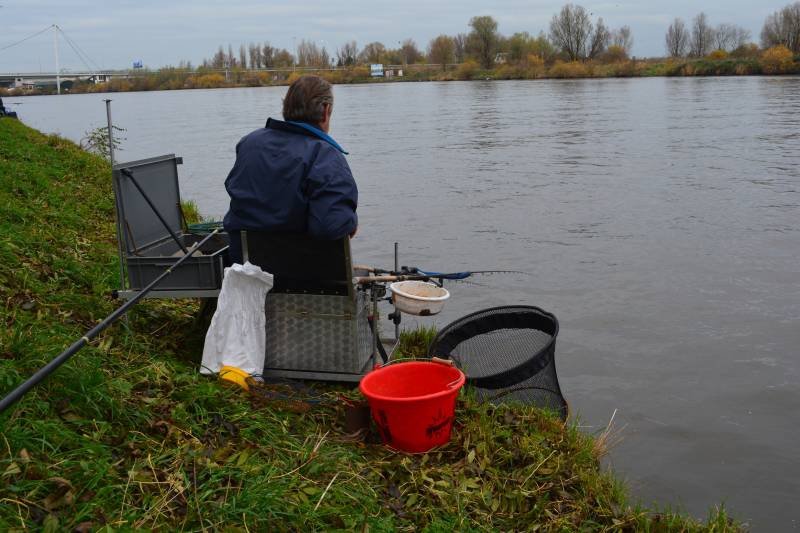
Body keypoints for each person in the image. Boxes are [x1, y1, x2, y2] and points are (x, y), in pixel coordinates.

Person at [223, 75, 358, 263]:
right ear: (326, 111)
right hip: (306, 278)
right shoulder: (325, 155)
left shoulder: (249, 143)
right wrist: (351, 222)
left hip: (245, 270)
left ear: (286, 107)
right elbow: (331, 227)